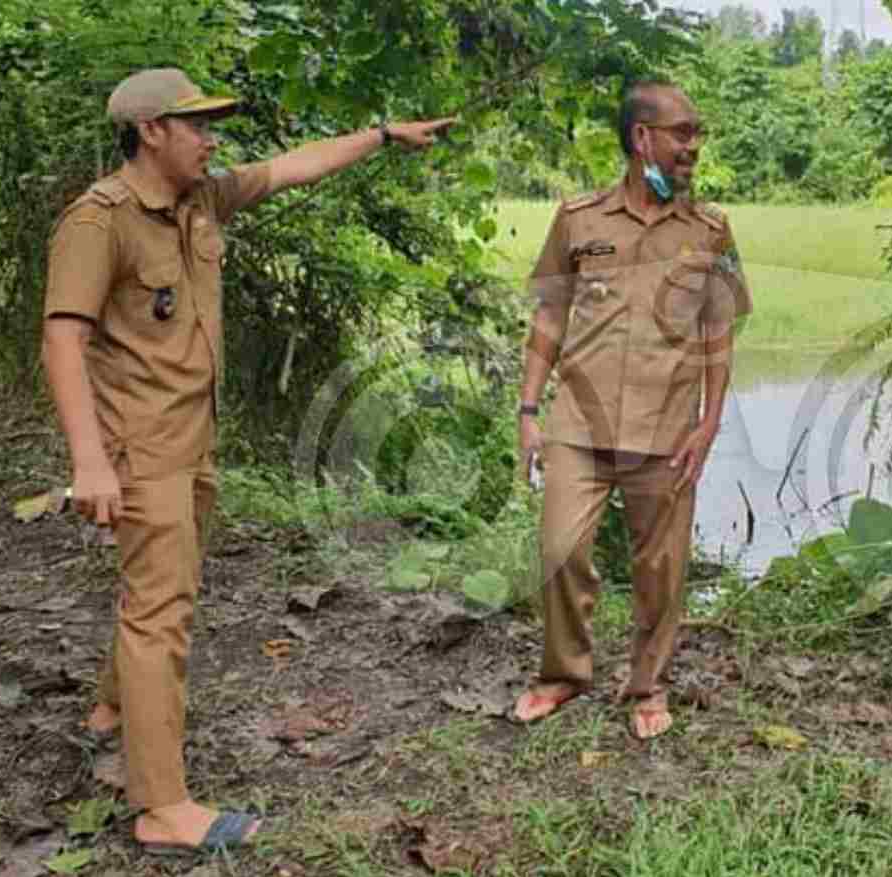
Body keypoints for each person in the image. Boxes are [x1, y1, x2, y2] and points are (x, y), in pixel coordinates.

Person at [41, 67, 454, 853]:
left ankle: (112, 707)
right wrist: (88, 461)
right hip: (140, 448)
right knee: (161, 609)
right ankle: (162, 806)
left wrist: (381, 135)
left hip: (193, 435)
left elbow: (294, 166)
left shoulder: (201, 199)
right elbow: (63, 339)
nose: (211, 138)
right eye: (196, 124)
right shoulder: (98, 222)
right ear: (151, 131)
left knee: (164, 588)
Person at [510, 81, 751, 740]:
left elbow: (719, 331)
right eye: (682, 132)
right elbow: (550, 316)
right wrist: (528, 410)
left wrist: (709, 422)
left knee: (661, 569)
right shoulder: (578, 219)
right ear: (642, 137)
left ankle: (648, 685)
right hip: (578, 425)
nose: (693, 146)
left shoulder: (710, 230)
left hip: (666, 430)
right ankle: (564, 673)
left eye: (698, 133)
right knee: (559, 548)